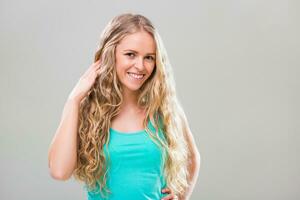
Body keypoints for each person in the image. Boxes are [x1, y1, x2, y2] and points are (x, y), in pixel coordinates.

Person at [48, 13, 201, 200]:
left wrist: (181, 196)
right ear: (111, 54)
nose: (140, 66)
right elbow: (59, 171)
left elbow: (193, 159)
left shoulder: (166, 111)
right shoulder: (87, 110)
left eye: (149, 58)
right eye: (131, 55)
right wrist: (73, 101)